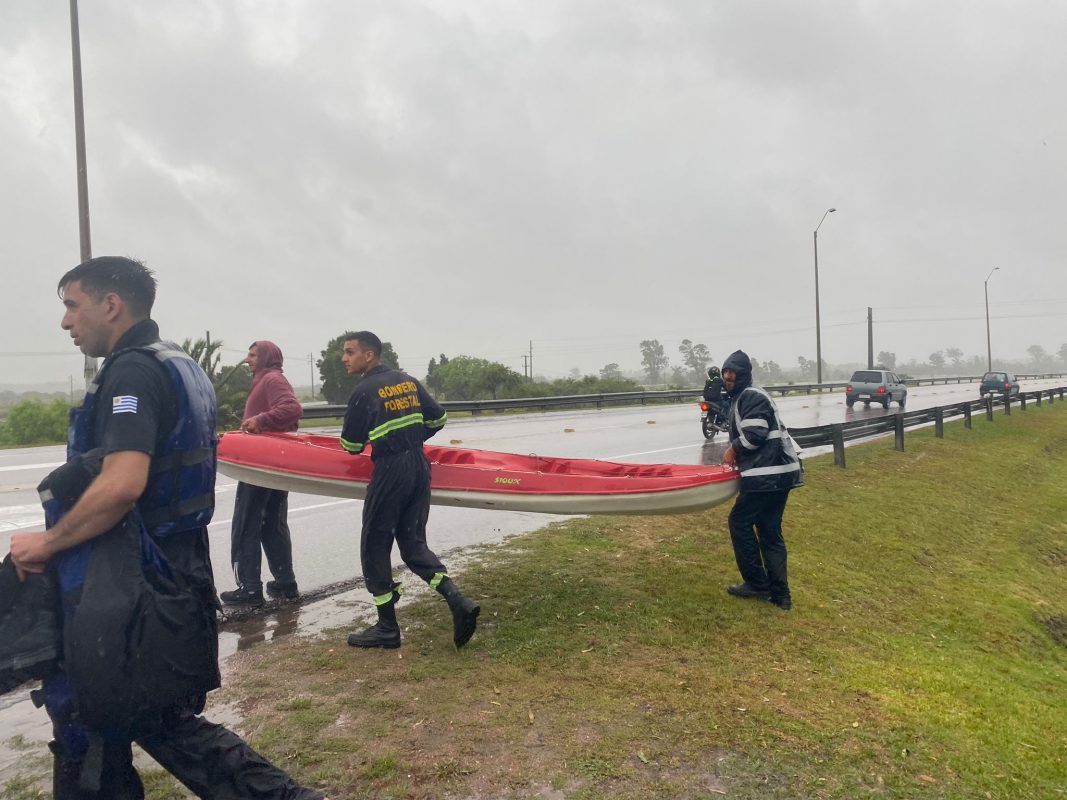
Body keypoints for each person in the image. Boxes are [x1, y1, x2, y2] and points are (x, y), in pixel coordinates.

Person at [9, 257, 325, 799]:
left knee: (105, 718)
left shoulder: (132, 370)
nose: (66, 323)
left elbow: (123, 483)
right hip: (177, 566)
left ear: (111, 305)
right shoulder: (180, 363)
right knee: (148, 720)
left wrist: (49, 541)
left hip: (134, 577)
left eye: (71, 306)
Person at [338, 331, 480, 649]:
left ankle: (387, 627)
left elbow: (350, 445)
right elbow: (439, 417)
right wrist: (411, 438)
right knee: (413, 545)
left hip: (390, 471)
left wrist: (388, 441)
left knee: (374, 545)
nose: (345, 359)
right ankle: (459, 602)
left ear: (369, 355)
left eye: (349, 352)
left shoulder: (364, 391)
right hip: (418, 466)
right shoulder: (407, 380)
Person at [221, 341, 303, 607]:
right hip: (274, 465)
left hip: (261, 464)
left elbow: (292, 408)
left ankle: (249, 588)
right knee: (271, 525)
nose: (248, 360)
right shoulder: (268, 379)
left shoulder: (272, 379)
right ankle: (284, 583)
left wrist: (260, 420)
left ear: (267, 357)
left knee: (247, 525)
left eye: (253, 355)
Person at [720, 350, 803, 611]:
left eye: (733, 371)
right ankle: (781, 596)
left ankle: (756, 583)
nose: (728, 376)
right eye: (725, 371)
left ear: (744, 373)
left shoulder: (750, 395)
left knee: (740, 521)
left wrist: (734, 448)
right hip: (780, 474)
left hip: (766, 475)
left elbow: (756, 433)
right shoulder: (749, 395)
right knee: (769, 531)